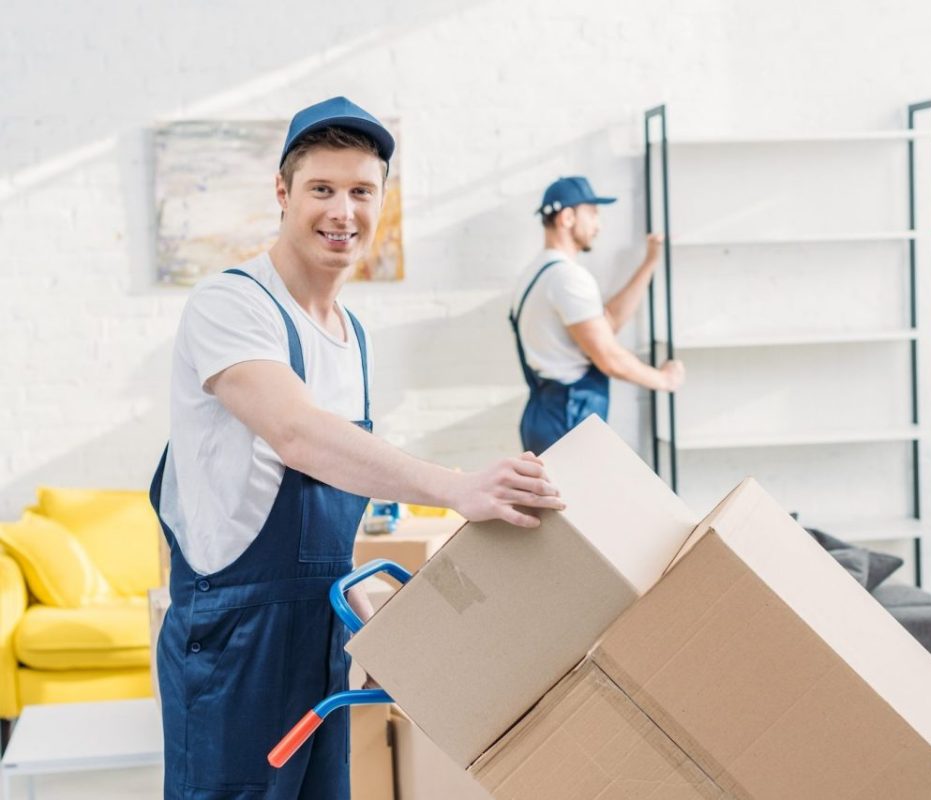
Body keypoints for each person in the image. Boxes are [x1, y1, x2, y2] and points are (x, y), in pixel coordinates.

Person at [149, 96, 564, 799]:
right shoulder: (233, 306)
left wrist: (349, 596)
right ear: (282, 193)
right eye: (322, 189)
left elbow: (326, 491)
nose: (343, 211)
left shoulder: (351, 335)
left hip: (318, 637)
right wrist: (457, 487)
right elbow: (298, 434)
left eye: (361, 192)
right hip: (234, 644)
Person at [510, 176, 685, 454]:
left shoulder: (537, 272)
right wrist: (663, 380)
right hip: (568, 418)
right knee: (579, 498)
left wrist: (650, 262)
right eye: (592, 214)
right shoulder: (568, 278)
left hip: (545, 414)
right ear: (567, 217)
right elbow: (608, 357)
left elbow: (606, 323)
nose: (598, 225)